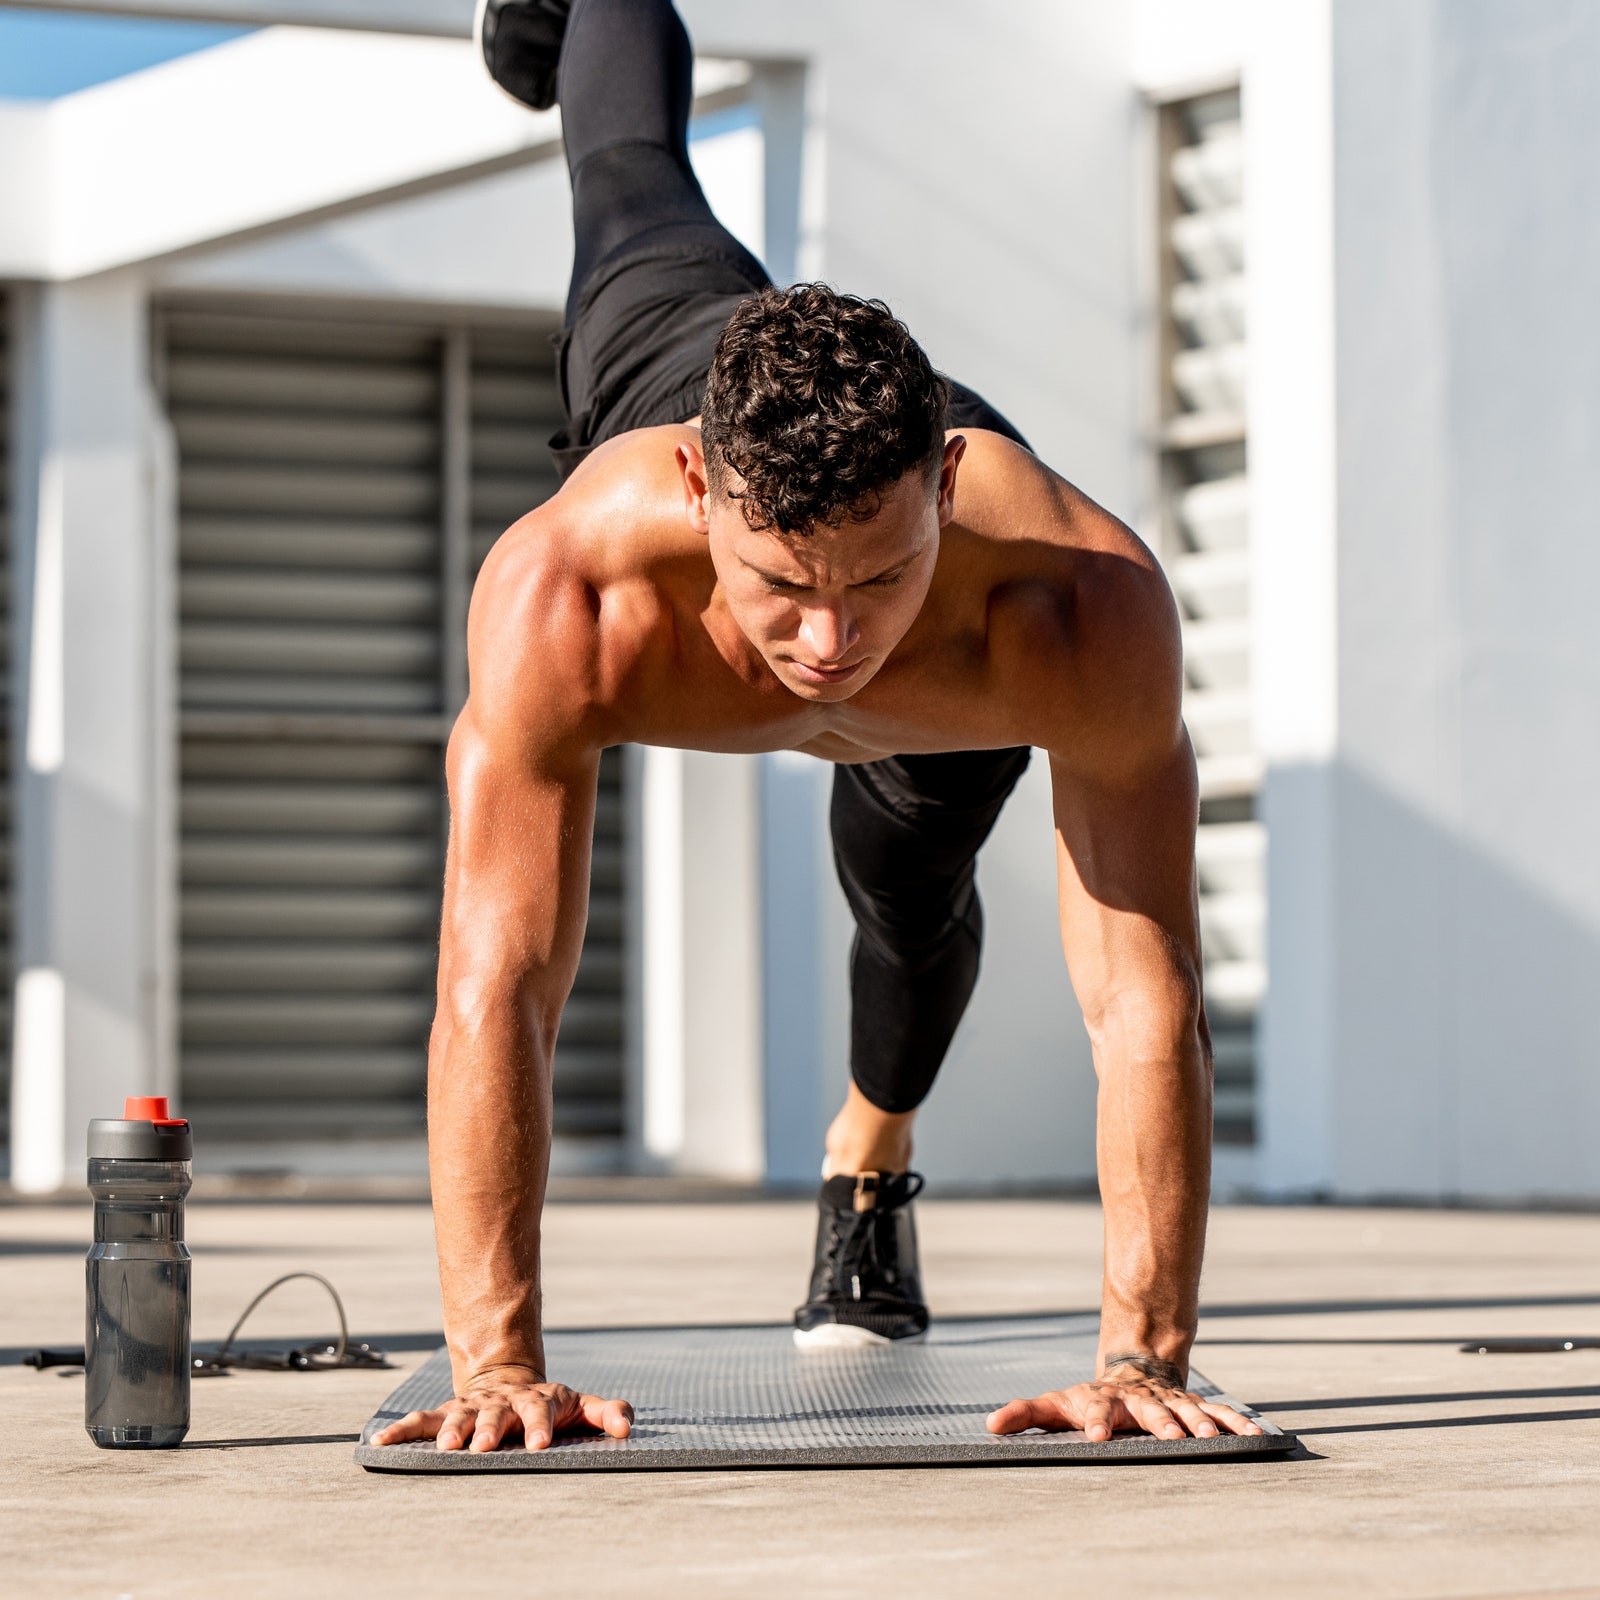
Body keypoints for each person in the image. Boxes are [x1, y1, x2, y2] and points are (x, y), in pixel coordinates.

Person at [372, 0, 1262, 1454]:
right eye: (782, 588)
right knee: (629, 179)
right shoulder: (572, 590)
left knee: (910, 913)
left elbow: (1142, 993)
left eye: (879, 579)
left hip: (954, 668)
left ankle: (869, 1159)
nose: (832, 644)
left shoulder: (1072, 609)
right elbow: (498, 982)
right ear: (694, 494)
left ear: (951, 486)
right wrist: (496, 1363)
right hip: (674, 349)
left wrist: (1143, 1352)